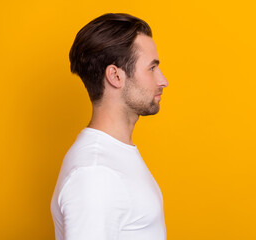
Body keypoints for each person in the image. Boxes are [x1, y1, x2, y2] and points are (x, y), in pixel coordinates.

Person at [50, 13, 169, 240]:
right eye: (152, 68)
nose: (163, 80)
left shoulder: (113, 155)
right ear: (115, 75)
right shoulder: (95, 173)